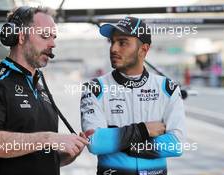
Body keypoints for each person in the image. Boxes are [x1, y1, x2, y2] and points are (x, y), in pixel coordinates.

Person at [0, 6, 93, 175]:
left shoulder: (41, 90)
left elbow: (38, 158)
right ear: (20, 36)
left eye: (54, 37)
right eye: (45, 35)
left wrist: (67, 154)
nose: (52, 43)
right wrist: (51, 138)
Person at [80, 17, 186, 175]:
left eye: (122, 42)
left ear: (143, 50)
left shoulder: (167, 88)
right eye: (112, 42)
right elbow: (96, 143)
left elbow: (176, 145)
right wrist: (144, 130)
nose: (113, 49)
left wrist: (117, 140)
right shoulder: (95, 88)